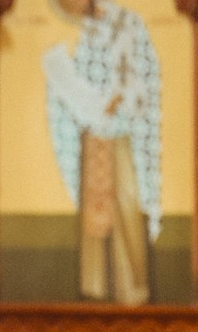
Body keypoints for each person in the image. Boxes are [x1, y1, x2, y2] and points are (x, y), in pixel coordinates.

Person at [42, 0, 161, 304]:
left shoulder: (128, 25)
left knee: (125, 209)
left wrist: (117, 102)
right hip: (93, 139)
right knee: (93, 218)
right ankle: (95, 292)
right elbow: (80, 81)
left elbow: (144, 78)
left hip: (122, 138)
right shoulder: (88, 33)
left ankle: (131, 290)